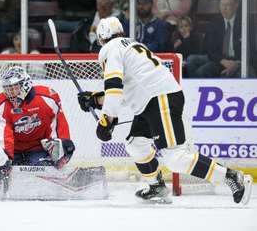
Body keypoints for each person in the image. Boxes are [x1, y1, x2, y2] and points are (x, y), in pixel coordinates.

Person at [77, 16, 252, 204]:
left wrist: (106, 120)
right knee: (136, 144)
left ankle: (232, 177)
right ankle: (156, 185)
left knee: (175, 158)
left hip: (160, 99)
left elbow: (115, 88)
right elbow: (129, 89)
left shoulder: (109, 49)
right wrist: (96, 99)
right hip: (153, 100)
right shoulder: (130, 45)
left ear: (102, 37)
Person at [0, 65, 75, 169]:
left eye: (14, 88)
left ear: (25, 85)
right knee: (0, 163)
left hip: (38, 149)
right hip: (14, 151)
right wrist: (3, 159)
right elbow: (2, 136)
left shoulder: (48, 99)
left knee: (50, 162)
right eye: (7, 89)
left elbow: (57, 127)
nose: (10, 93)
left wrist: (61, 148)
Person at [186, 0, 252, 78]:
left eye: (227, 5)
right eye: (222, 5)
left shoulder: (245, 23)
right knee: (192, 61)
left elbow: (252, 50)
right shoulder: (214, 23)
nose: (224, 8)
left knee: (249, 74)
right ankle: (193, 88)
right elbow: (211, 50)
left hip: (238, 61)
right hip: (220, 59)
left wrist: (238, 63)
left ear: (236, 5)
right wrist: (223, 61)